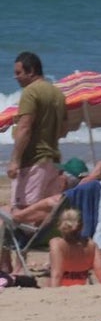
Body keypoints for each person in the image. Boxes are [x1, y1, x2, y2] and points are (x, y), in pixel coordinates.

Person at [7, 52, 68, 210]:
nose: (16, 77)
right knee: (44, 212)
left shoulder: (30, 92)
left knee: (23, 211)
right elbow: (63, 130)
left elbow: (25, 128)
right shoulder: (58, 94)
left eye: (19, 73)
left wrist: (14, 161)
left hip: (34, 161)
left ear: (31, 71)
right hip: (53, 161)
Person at [48, 209, 101, 287]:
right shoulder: (91, 245)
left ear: (60, 225)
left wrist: (53, 294)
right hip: (79, 287)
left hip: (61, 290)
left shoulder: (56, 243)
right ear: (81, 226)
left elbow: (57, 274)